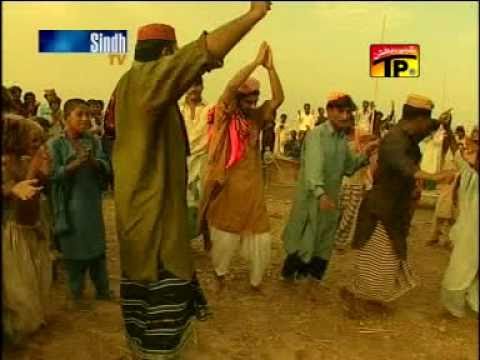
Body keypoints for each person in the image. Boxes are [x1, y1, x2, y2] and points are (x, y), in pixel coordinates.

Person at [110, 3, 272, 358]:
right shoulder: (143, 82)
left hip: (161, 216)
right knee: (158, 329)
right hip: (152, 230)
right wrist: (253, 15)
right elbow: (203, 53)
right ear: (166, 55)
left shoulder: (146, 91)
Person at [341, 94, 456, 317]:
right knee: (378, 257)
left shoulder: (410, 132)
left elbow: (429, 127)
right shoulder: (395, 140)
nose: (427, 128)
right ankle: (358, 299)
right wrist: (439, 176)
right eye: (427, 121)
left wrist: (441, 122)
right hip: (382, 209)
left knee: (388, 257)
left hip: (394, 208)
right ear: (418, 119)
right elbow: (407, 169)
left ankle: (367, 298)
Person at [200, 42, 284, 292]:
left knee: (260, 235)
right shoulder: (225, 115)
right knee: (225, 232)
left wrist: (270, 68)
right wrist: (255, 62)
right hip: (227, 184)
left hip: (253, 186)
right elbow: (231, 86)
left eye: (256, 100)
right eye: (248, 100)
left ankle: (256, 281)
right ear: (239, 100)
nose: (253, 104)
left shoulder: (256, 117)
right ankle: (220, 275)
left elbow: (278, 98)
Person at [281, 92, 377, 281]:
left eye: (348, 112)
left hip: (330, 200)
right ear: (329, 111)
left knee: (324, 241)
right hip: (312, 199)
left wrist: (366, 154)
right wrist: (320, 193)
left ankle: (312, 284)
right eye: (340, 111)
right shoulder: (317, 135)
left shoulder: (341, 139)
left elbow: (349, 167)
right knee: (304, 238)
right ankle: (290, 281)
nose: (344, 116)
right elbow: (313, 168)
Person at [48, 99, 112, 310]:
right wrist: (74, 164)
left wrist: (93, 162)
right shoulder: (56, 144)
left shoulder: (93, 141)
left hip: (91, 203)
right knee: (74, 251)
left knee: (97, 246)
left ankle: (103, 290)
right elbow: (51, 175)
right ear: (67, 118)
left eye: (88, 115)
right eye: (79, 115)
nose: (85, 119)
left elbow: (105, 166)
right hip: (69, 206)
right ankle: (75, 294)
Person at [2, 116, 52, 344]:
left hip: (33, 227)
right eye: (34, 141)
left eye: (42, 140)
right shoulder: (7, 163)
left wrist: (42, 170)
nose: (40, 145)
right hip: (15, 231)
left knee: (35, 275)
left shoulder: (28, 159)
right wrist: (32, 170)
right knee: (18, 284)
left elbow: (40, 186)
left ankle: (34, 317)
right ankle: (17, 327)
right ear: (18, 140)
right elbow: (20, 192)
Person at [441, 126, 478, 318]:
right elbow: (457, 154)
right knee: (461, 267)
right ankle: (453, 307)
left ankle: (474, 303)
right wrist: (447, 129)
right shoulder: (470, 174)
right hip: (469, 231)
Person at [180, 77, 209, 240]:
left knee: (203, 202)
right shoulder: (177, 110)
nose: (193, 89)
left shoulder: (209, 110)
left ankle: (206, 237)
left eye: (197, 85)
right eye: (190, 85)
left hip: (202, 162)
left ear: (202, 87)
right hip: (180, 161)